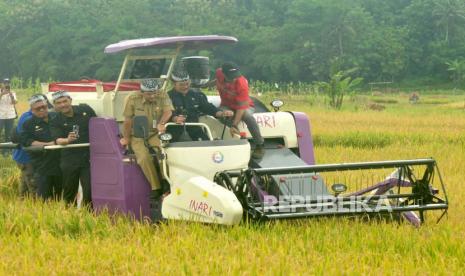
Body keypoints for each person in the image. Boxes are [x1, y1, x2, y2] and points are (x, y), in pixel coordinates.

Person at [120, 79, 173, 201]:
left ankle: (166, 181)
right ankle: (156, 187)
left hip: (155, 132)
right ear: (141, 92)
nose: (153, 96)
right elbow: (127, 120)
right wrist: (126, 138)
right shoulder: (132, 98)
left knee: (162, 153)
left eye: (155, 92)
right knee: (143, 157)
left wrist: (162, 123)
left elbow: (168, 111)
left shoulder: (163, 94)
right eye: (149, 94)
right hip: (137, 134)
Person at [50, 90, 96, 207]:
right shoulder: (55, 120)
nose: (63, 105)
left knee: (89, 190)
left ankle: (88, 217)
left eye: (65, 101)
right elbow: (57, 140)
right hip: (70, 159)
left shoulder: (85, 109)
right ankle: (69, 216)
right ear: (55, 105)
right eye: (59, 103)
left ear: (70, 100)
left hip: (88, 158)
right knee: (70, 191)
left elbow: (98, 125)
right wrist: (67, 140)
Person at [167, 69, 233, 141]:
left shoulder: (197, 95)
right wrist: (175, 118)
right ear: (173, 84)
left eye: (187, 83)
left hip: (194, 129)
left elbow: (208, 108)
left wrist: (222, 113)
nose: (185, 87)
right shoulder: (167, 97)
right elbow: (164, 113)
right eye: (181, 85)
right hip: (174, 130)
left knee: (206, 144)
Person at [216, 62, 265, 159]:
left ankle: (260, 144)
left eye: (235, 75)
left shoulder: (242, 83)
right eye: (231, 76)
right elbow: (217, 80)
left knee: (247, 116)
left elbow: (241, 108)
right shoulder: (219, 73)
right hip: (227, 105)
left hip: (244, 106)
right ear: (224, 74)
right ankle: (240, 140)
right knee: (221, 115)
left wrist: (234, 124)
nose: (234, 78)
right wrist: (205, 85)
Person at [20, 94, 62, 200]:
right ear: (32, 110)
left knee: (60, 196)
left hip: (60, 164)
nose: (42, 110)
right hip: (42, 165)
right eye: (38, 108)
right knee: (43, 197)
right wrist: (48, 145)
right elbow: (27, 141)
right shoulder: (28, 123)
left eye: (44, 107)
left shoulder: (57, 117)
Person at [11, 108, 36, 197]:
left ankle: (22, 205)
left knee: (25, 184)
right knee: (33, 185)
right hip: (26, 157)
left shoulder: (26, 114)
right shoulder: (28, 118)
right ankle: (35, 207)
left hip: (22, 157)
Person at [0, 78, 17, 157]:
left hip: (10, 115)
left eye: (8, 83)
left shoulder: (12, 92)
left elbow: (14, 103)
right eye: (5, 82)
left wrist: (11, 95)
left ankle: (6, 151)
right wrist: (2, 94)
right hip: (1, 115)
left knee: (8, 134)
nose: (6, 84)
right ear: (2, 84)